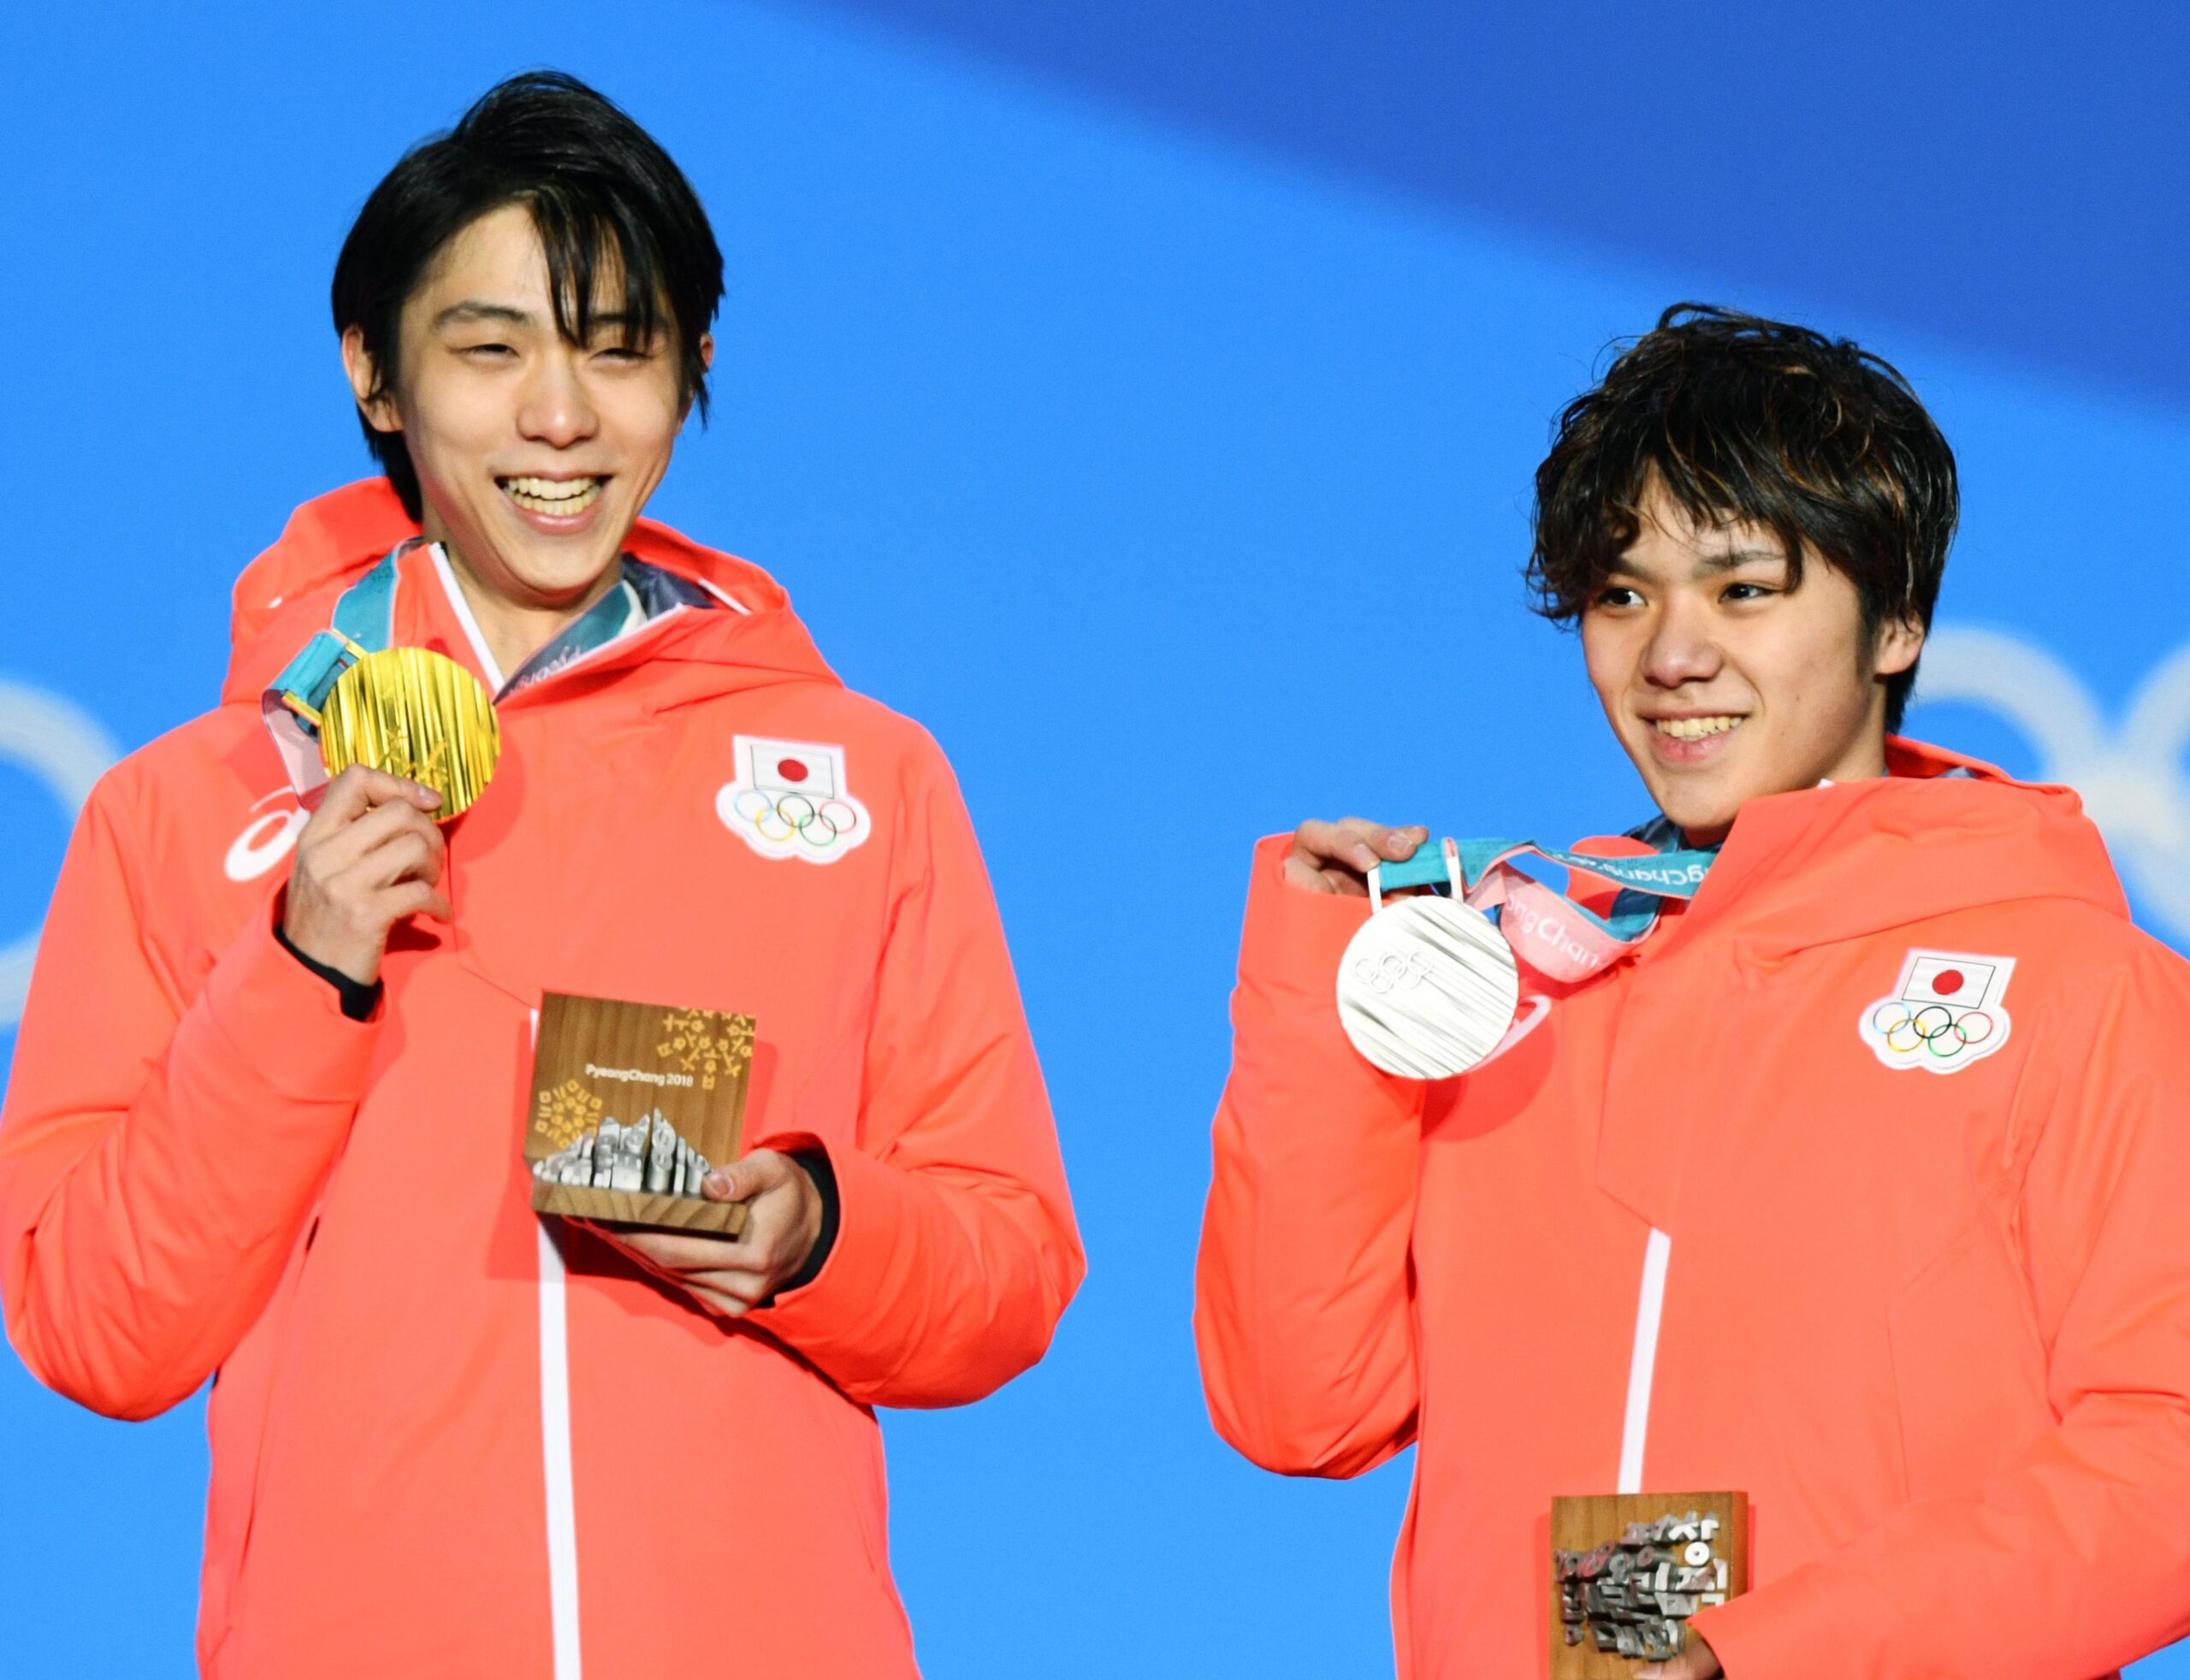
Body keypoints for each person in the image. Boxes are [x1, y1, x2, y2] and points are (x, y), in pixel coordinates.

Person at [0, 72, 1081, 1678]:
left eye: (619, 348)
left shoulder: (863, 779)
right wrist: (298, 971)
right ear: (376, 373)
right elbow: (99, 1327)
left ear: (695, 365)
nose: (560, 417)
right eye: (491, 348)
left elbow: (1010, 1267)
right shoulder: (185, 808)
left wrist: (820, 1232)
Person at [1194, 305, 2190, 1678]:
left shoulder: (2085, 992)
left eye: (1742, 590)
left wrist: (1781, 1655)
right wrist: (1329, 997)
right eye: (1622, 594)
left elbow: (2168, 1467)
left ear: (1896, 619)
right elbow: (1300, 1409)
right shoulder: (1523, 965)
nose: (1671, 655)